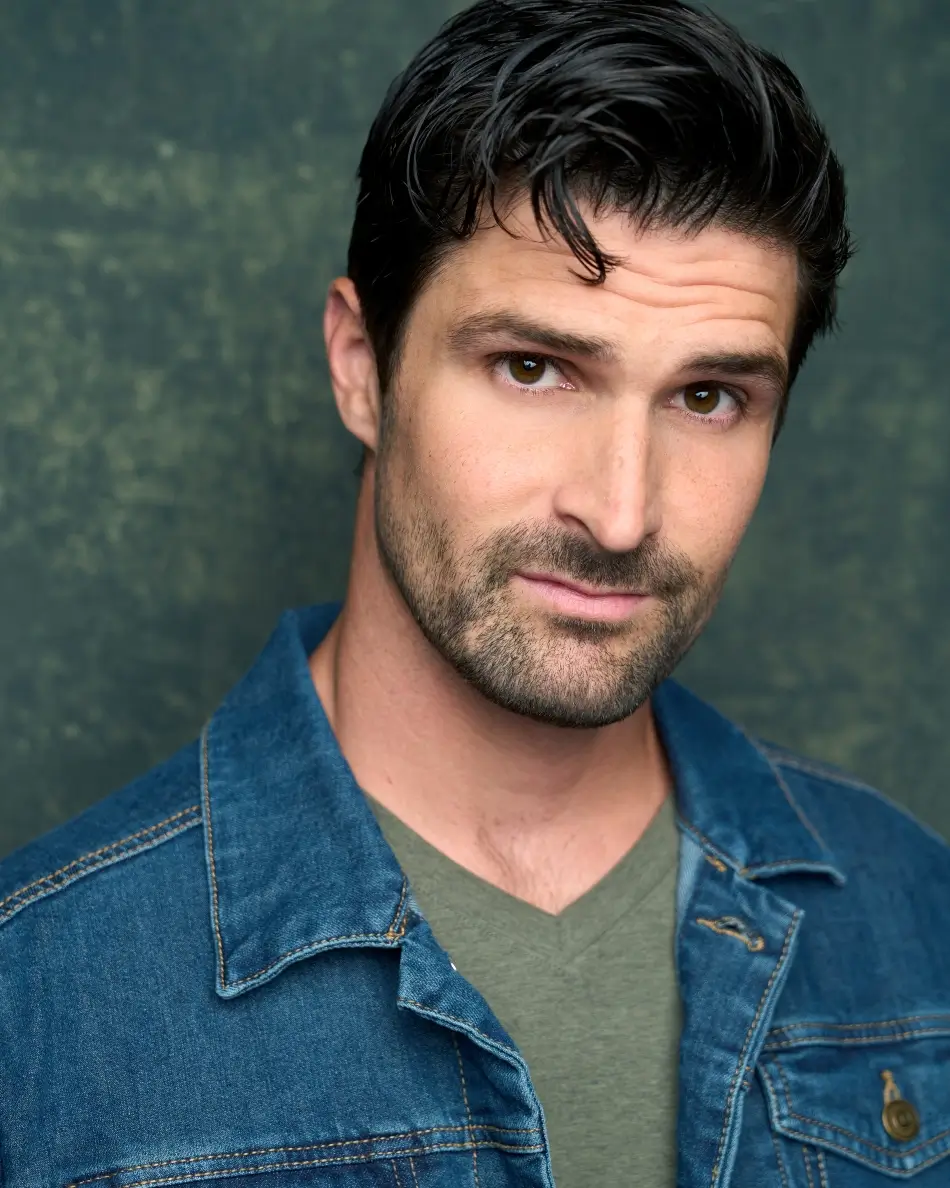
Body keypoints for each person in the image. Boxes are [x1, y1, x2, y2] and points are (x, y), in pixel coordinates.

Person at [2, 0, 949, 1185]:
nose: (618, 513)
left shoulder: (921, 928)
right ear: (362, 368)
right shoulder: (38, 1004)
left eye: (708, 397)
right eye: (533, 367)